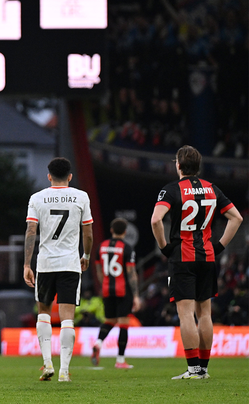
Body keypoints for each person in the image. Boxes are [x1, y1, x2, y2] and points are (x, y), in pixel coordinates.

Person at [151, 145, 243, 379]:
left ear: (179, 165)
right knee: (205, 314)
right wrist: (219, 246)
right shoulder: (212, 189)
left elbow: (156, 221)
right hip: (207, 257)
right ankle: (203, 369)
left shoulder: (172, 190)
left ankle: (192, 369)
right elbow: (236, 218)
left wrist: (164, 247)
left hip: (182, 257)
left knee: (186, 314)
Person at [23, 157, 93, 382]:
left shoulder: (37, 198)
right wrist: (86, 255)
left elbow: (31, 231)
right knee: (67, 318)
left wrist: (27, 264)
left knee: (43, 312)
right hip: (70, 264)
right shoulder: (81, 197)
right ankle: (64, 370)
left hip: (45, 264)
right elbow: (88, 233)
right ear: (70, 176)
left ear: (49, 176)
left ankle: (47, 364)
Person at [91, 218, 140, 369]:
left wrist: (103, 285)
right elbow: (131, 273)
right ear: (125, 232)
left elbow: (99, 271)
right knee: (123, 324)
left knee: (110, 320)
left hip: (107, 289)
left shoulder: (101, 246)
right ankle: (120, 360)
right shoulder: (127, 248)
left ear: (111, 230)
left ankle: (98, 343)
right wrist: (136, 295)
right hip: (122, 290)